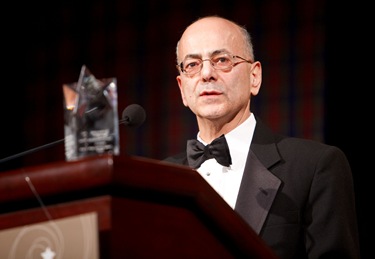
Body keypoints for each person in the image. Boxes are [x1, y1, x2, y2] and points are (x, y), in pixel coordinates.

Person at [164, 15, 360, 258]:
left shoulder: (315, 166)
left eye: (222, 60)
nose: (206, 73)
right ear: (182, 88)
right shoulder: (160, 178)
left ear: (254, 77)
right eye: (192, 65)